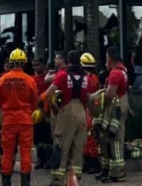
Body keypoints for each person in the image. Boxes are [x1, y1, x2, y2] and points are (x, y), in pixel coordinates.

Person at [45, 51, 90, 186]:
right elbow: (88, 98)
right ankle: (75, 181)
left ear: (68, 61)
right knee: (77, 151)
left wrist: (54, 108)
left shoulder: (63, 75)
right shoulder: (86, 77)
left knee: (61, 148)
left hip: (66, 112)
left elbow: (48, 94)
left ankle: (57, 181)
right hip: (81, 112)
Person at [0, 49, 38, 186]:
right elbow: (34, 102)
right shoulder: (29, 80)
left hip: (8, 121)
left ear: (11, 63)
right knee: (25, 152)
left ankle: (6, 182)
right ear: (24, 63)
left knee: (7, 152)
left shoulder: (3, 79)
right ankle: (25, 182)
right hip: (25, 120)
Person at [98, 47, 130, 183]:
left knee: (115, 140)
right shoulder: (123, 70)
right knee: (106, 138)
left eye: (106, 59)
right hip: (120, 104)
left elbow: (110, 94)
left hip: (115, 107)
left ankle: (117, 173)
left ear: (109, 59)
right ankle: (106, 170)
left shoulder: (115, 73)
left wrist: (100, 105)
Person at [80, 53, 102, 175]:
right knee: (86, 136)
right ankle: (88, 162)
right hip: (88, 108)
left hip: (90, 108)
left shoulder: (90, 79)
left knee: (90, 136)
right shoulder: (93, 77)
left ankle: (93, 163)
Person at [31, 56, 54, 169]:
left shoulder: (48, 78)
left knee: (48, 137)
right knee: (37, 137)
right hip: (35, 112)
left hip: (47, 111)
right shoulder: (31, 79)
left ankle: (49, 159)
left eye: (38, 65)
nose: (36, 67)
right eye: (34, 65)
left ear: (43, 65)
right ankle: (41, 159)